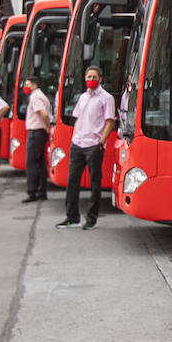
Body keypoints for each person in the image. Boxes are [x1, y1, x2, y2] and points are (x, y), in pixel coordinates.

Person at [56, 66, 116, 230]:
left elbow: (110, 122)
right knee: (72, 181)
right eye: (89, 76)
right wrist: (74, 137)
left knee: (95, 183)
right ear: (84, 78)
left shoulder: (107, 98)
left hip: (93, 145)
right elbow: (78, 118)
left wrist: (100, 143)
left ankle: (91, 219)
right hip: (78, 143)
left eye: (94, 77)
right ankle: (72, 217)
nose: (91, 80)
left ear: (100, 79)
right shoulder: (82, 97)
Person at [22, 77, 53, 203]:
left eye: (28, 84)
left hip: (36, 132)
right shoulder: (41, 96)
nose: (26, 87)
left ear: (34, 85)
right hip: (39, 132)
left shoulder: (35, 97)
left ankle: (32, 191)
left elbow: (44, 114)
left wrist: (47, 126)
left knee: (32, 163)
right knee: (40, 163)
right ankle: (41, 191)